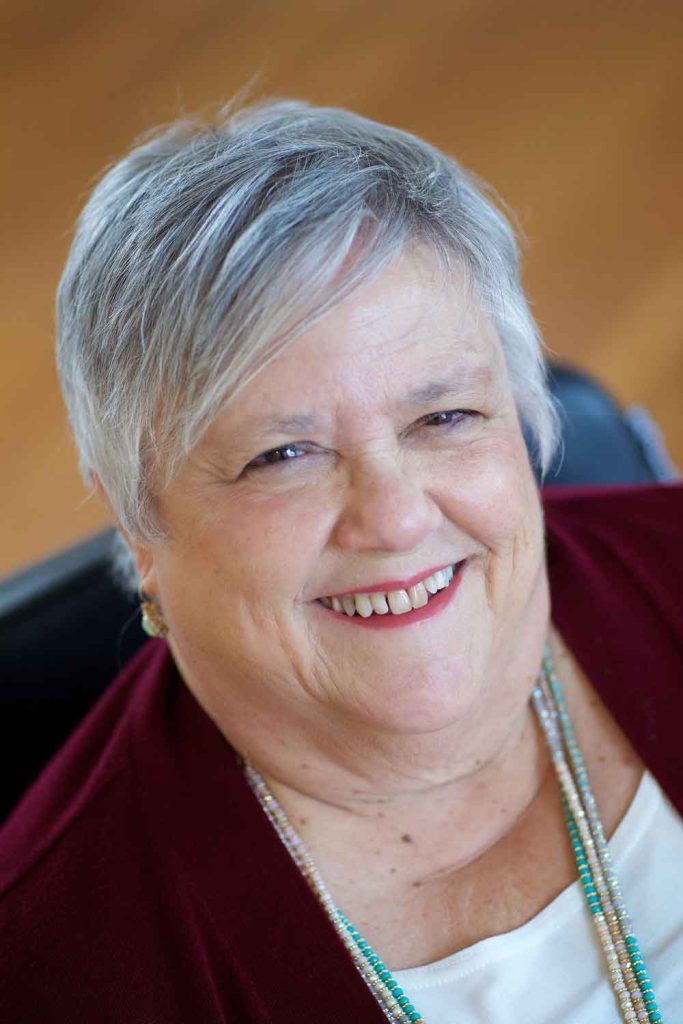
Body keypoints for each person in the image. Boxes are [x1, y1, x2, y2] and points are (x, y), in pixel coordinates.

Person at [0, 99, 681, 1024]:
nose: (396, 518)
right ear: (139, 526)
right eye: (282, 456)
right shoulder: (56, 970)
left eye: (444, 417)